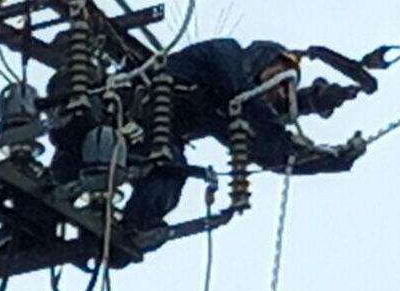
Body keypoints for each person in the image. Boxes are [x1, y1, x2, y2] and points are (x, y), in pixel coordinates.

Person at [118, 38, 371, 233]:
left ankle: (122, 235)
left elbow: (273, 151)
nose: (282, 94)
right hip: (119, 113)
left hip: (145, 139)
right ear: (264, 60)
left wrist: (336, 160)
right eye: (280, 81)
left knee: (168, 172)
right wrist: (305, 102)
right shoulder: (226, 56)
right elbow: (248, 99)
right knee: (166, 166)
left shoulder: (226, 110)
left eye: (288, 91)